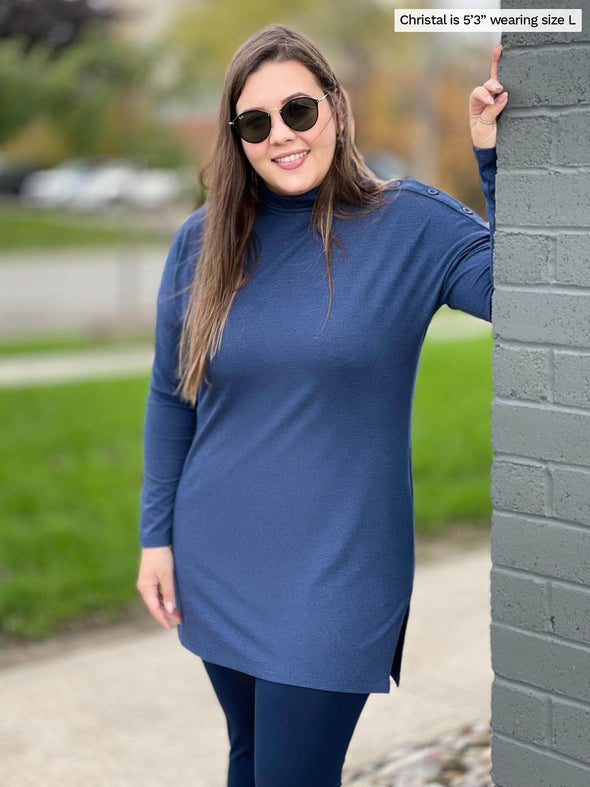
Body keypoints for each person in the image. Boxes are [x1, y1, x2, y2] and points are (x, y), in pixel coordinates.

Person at [136, 24, 507, 787]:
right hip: (219, 555)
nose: (282, 136)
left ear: (336, 106)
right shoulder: (202, 243)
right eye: (255, 123)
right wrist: (156, 536)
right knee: (249, 757)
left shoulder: (410, 224)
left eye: (298, 110)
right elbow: (172, 396)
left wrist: (494, 159)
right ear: (236, 139)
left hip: (339, 574)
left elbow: (529, 291)